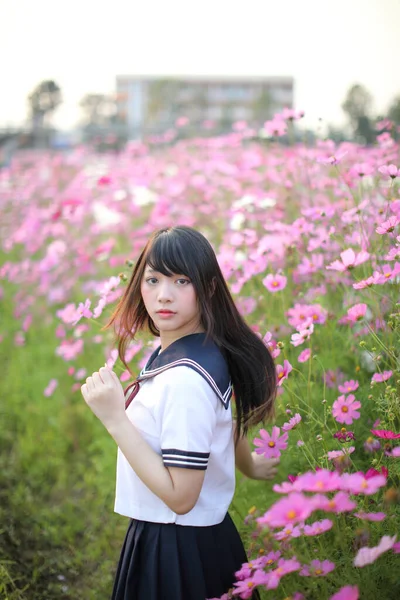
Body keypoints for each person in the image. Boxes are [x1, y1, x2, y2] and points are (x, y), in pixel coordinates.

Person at [81, 226, 278, 600]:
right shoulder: (193, 350)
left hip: (176, 546)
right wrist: (249, 464)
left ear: (209, 288)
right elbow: (221, 419)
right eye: (152, 279)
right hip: (191, 538)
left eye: (181, 280)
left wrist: (114, 419)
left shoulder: (185, 378)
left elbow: (181, 497)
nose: (163, 295)